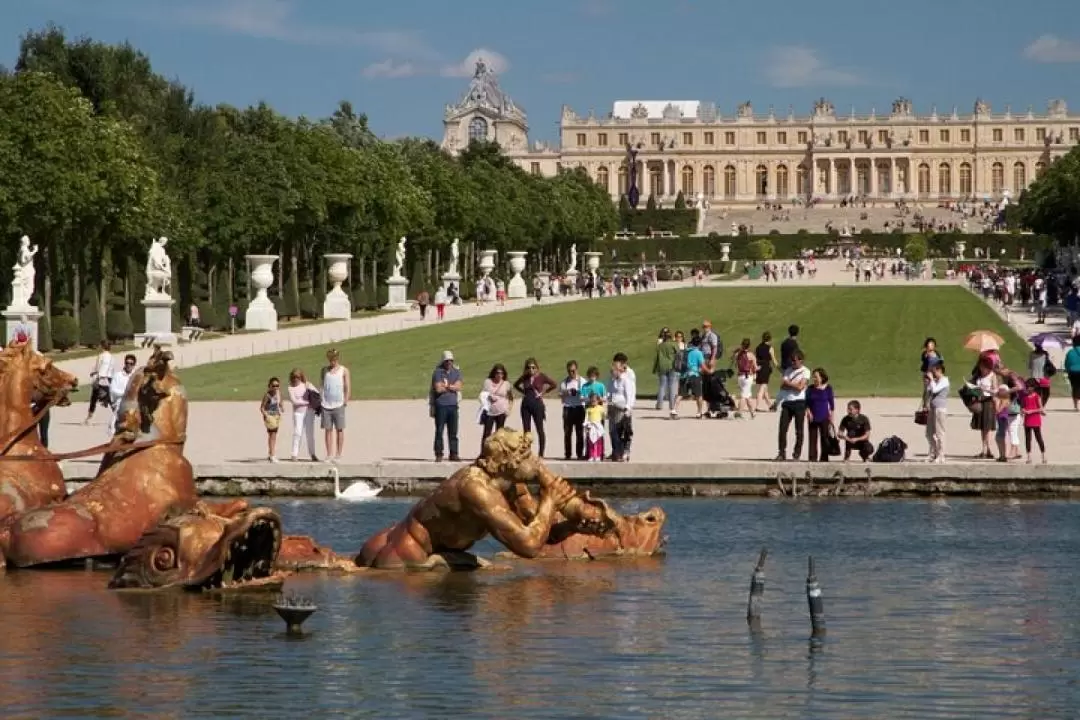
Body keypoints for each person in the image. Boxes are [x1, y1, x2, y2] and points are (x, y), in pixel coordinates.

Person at [774, 350, 810, 461]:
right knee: (782, 429)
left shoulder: (805, 371)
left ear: (801, 360)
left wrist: (788, 383)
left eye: (795, 360)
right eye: (792, 360)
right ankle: (781, 453)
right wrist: (776, 402)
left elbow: (800, 387)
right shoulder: (788, 371)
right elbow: (782, 387)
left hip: (799, 402)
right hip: (787, 402)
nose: (793, 362)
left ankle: (796, 454)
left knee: (799, 430)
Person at [430, 350, 462, 461]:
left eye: (450, 361)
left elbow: (458, 386)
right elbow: (438, 389)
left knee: (453, 431)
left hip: (453, 405)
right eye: (447, 361)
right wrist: (451, 387)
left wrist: (446, 386)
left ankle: (454, 453)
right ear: (443, 361)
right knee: (439, 430)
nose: (449, 363)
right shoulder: (438, 373)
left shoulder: (456, 372)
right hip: (441, 405)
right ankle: (439, 453)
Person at [320, 348, 351, 463]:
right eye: (330, 358)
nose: (332, 361)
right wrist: (321, 398)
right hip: (326, 404)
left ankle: (338, 454)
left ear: (337, 358)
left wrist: (346, 400)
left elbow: (347, 386)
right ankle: (329, 454)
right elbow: (322, 386)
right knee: (328, 430)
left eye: (334, 358)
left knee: (339, 429)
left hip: (339, 403)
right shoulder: (324, 370)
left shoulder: (344, 370)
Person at [607, 352, 637, 462]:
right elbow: (609, 391)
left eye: (615, 366)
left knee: (625, 431)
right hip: (613, 407)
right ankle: (616, 451)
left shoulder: (628, 375)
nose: (613, 369)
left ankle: (625, 451)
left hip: (623, 407)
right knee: (613, 431)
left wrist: (629, 407)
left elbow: (631, 392)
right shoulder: (612, 378)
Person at [287, 368, 319, 461]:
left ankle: (312, 454)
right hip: (298, 413)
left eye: (297, 377)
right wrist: (306, 402)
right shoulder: (290, 388)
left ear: (301, 376)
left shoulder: (306, 384)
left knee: (310, 434)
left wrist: (312, 400)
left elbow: (317, 394)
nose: (296, 379)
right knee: (297, 432)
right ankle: (294, 454)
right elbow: (294, 401)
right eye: (294, 377)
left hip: (309, 412)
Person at [480, 363, 513, 448]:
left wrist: (509, 409)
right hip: (489, 412)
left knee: (499, 434)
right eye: (497, 373)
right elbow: (482, 395)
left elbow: (510, 398)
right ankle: (484, 453)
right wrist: (489, 396)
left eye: (501, 373)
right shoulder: (488, 382)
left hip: (501, 412)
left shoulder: (506, 384)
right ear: (494, 373)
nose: (499, 375)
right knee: (487, 433)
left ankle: (498, 453)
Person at [805, 367, 835, 462]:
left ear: (822, 377)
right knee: (812, 439)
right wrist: (808, 412)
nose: (814, 379)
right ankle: (812, 458)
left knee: (825, 438)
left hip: (824, 417)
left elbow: (831, 404)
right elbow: (806, 403)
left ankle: (824, 458)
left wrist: (832, 417)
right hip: (813, 417)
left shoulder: (828, 388)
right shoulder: (810, 389)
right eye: (813, 377)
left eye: (816, 377)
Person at [559, 361, 586, 460]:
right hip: (568, 408)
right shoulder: (564, 382)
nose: (571, 373)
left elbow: (586, 395)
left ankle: (579, 453)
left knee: (580, 432)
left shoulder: (582, 381)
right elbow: (561, 397)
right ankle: (568, 454)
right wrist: (566, 393)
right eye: (569, 371)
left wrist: (579, 393)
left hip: (579, 407)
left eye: (573, 371)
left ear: (577, 370)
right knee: (567, 432)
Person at [923, 361, 949, 463]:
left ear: (940, 370)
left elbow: (935, 390)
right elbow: (929, 391)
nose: (933, 374)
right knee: (929, 433)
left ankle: (941, 455)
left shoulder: (945, 381)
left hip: (940, 409)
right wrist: (927, 383)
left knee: (939, 433)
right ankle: (933, 453)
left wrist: (931, 380)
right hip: (932, 408)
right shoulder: (935, 381)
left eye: (934, 372)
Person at [107, 354, 138, 438]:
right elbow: (113, 390)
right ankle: (113, 432)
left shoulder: (136, 376)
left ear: (134, 365)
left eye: (131, 363)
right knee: (116, 417)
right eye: (127, 363)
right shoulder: (118, 375)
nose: (129, 365)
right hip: (120, 401)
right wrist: (125, 394)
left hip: (134, 402)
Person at [84, 340, 114, 425]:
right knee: (110, 399)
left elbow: (98, 367)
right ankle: (118, 415)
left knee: (93, 399)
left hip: (100, 379)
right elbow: (111, 369)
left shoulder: (101, 356)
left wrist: (94, 374)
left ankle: (89, 418)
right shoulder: (112, 357)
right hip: (108, 379)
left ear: (102, 347)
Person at [652, 328, 679, 416]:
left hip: (662, 367)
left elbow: (656, 358)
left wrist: (654, 368)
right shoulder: (674, 345)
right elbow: (679, 354)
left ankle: (659, 404)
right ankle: (672, 406)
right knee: (671, 386)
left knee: (662, 386)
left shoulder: (660, 346)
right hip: (672, 366)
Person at [1022, 377, 1047, 464]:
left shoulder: (1037, 396)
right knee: (1028, 439)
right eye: (1027, 387)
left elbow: (1041, 408)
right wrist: (1023, 411)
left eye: (1029, 387)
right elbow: (1023, 407)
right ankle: (1029, 456)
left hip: (1035, 419)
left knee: (1038, 438)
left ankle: (1043, 455)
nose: (1028, 388)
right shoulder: (1025, 397)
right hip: (1027, 420)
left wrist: (1031, 411)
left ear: (1033, 387)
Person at [732, 338, 758, 419]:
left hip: (740, 376)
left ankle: (752, 413)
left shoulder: (738, 354)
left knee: (747, 395)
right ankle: (739, 412)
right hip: (748, 376)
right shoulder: (751, 355)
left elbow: (735, 363)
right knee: (744, 395)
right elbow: (755, 367)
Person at [260, 377, 282, 462]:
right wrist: (266, 415)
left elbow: (280, 402)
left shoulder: (278, 393)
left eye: (277, 385)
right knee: (272, 435)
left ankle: (270, 453)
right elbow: (262, 408)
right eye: (273, 385)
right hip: (269, 417)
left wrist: (281, 407)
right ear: (269, 386)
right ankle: (272, 455)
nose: (275, 387)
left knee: (273, 435)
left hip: (276, 416)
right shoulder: (267, 395)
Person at [754, 331, 777, 413]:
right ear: (770, 339)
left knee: (764, 388)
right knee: (762, 388)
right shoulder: (770, 348)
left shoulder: (758, 347)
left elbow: (755, 359)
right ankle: (757, 406)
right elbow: (774, 360)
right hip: (766, 368)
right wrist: (778, 367)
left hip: (759, 368)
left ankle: (770, 405)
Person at [1027, 341, 1054, 407]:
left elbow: (1030, 366)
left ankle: (1038, 406)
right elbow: (1048, 364)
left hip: (1034, 377)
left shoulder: (1032, 354)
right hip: (1044, 377)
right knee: (1046, 394)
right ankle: (1042, 406)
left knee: (1037, 393)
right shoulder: (1045, 354)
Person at [584, 393, 606, 462]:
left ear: (598, 401)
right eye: (592, 401)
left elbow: (604, 417)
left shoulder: (601, 408)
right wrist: (586, 425)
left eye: (595, 401)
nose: (593, 402)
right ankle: (591, 455)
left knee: (598, 442)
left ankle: (598, 455)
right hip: (591, 426)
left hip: (598, 427)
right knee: (591, 442)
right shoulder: (588, 409)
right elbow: (586, 418)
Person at [1065, 335, 1080, 412]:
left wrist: (1068, 371)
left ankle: (1076, 406)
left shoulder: (1070, 352)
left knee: (1075, 388)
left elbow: (1067, 364)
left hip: (1073, 372)